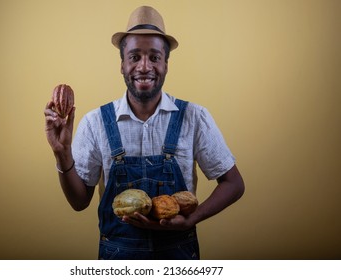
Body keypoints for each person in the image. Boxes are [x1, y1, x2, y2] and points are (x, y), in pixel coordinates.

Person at [44, 6, 244, 260]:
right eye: (135, 57)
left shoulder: (194, 117)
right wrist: (61, 153)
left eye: (155, 57)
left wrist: (192, 218)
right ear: (122, 64)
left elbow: (234, 184)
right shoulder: (95, 122)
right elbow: (79, 201)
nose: (144, 66)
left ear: (166, 64)